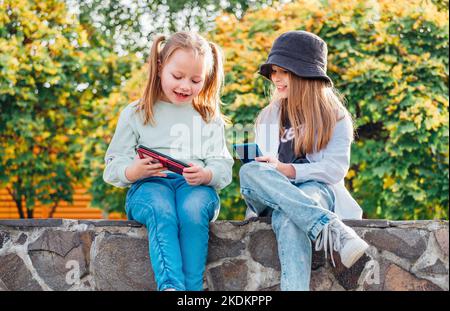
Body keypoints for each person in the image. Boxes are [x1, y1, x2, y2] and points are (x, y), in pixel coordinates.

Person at [239, 30, 369, 291]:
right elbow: (263, 171)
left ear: (305, 74)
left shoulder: (335, 116)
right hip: (272, 194)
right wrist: (270, 167)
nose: (275, 78)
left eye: (283, 71)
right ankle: (330, 228)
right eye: (273, 71)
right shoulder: (268, 115)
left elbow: (334, 169)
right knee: (250, 171)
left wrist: (288, 170)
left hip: (315, 191)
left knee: (290, 218)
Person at [103, 31, 233, 291]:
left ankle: (192, 292)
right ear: (160, 67)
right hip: (149, 185)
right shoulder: (136, 113)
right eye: (178, 76)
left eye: (196, 80)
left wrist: (206, 174)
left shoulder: (208, 118)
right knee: (161, 209)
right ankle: (172, 288)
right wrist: (133, 170)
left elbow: (222, 166)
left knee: (193, 210)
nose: (186, 86)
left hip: (194, 187)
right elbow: (112, 166)